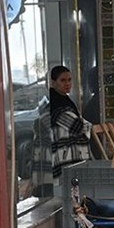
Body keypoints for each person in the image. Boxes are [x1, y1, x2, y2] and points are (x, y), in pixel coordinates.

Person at [31, 66, 93, 196]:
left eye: (70, 80)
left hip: (54, 162)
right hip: (54, 164)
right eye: (63, 80)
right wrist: (89, 125)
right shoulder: (57, 104)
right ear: (53, 83)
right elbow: (78, 126)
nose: (67, 84)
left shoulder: (62, 101)